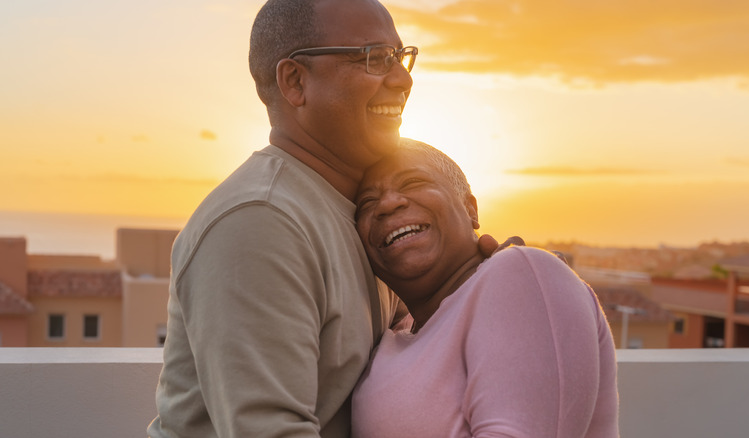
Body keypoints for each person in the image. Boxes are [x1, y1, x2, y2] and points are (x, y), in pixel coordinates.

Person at [147, 1, 507, 437]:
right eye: (374, 58)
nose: (402, 79)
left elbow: (414, 348)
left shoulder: (360, 213)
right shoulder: (261, 222)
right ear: (295, 82)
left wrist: (492, 288)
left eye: (399, 56)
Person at [351, 139, 619, 437]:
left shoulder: (519, 274)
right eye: (367, 203)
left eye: (413, 182)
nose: (388, 204)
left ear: (471, 209)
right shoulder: (393, 334)